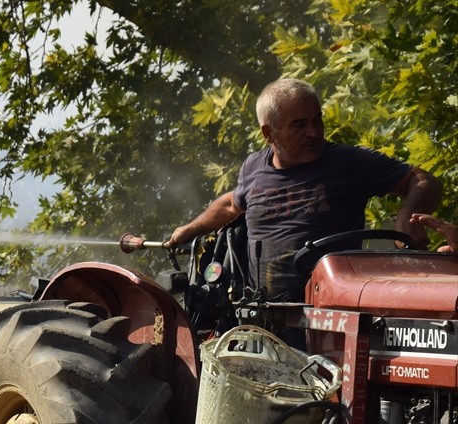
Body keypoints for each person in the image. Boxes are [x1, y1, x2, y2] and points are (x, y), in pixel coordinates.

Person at [169, 78, 442, 301]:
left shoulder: (347, 162)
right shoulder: (253, 167)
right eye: (299, 125)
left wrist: (407, 215)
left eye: (317, 120)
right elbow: (231, 205)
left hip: (330, 315)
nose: (314, 132)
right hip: (264, 318)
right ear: (269, 133)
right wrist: (188, 230)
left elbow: (421, 179)